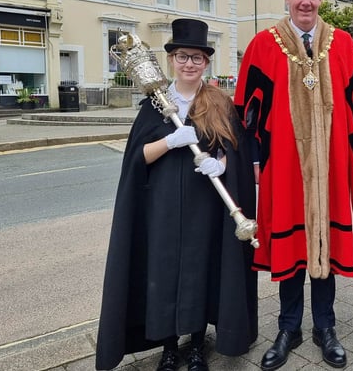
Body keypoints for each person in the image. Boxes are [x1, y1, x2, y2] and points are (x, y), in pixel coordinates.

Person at [233, 0, 353, 370]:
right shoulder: (265, 44)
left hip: (334, 162)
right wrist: (257, 160)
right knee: (291, 244)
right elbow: (249, 114)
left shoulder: (343, 43)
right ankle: (288, 327)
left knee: (327, 243)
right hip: (284, 163)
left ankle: (325, 327)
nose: (306, 3)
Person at [96, 19, 258, 371]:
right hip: (162, 210)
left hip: (206, 210)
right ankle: (169, 348)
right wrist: (169, 142)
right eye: (183, 57)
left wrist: (221, 162)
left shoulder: (219, 103)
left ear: (206, 63)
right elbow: (137, 160)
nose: (189, 64)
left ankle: (197, 345)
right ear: (171, 60)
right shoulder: (153, 106)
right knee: (164, 274)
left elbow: (236, 149)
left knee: (200, 272)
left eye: (197, 58)